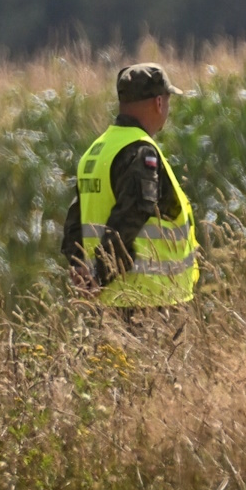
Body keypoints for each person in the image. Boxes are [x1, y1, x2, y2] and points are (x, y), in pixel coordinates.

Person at [61, 63, 199, 309]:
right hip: (148, 302)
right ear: (158, 102)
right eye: (168, 101)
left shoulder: (96, 150)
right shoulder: (140, 151)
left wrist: (80, 269)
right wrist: (99, 276)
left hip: (104, 302)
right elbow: (130, 215)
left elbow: (75, 219)